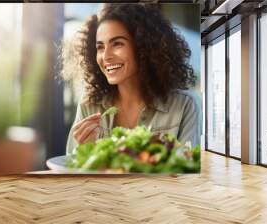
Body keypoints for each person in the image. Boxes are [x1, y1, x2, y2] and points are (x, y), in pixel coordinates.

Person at [65, 3, 201, 155]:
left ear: (143, 46)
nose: (106, 56)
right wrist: (86, 152)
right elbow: (71, 167)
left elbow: (187, 170)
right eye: (100, 47)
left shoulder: (185, 106)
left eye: (117, 43)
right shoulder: (89, 105)